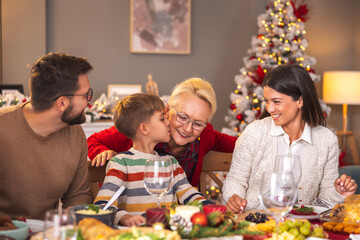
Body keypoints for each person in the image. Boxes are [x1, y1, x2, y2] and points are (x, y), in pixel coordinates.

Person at [223, 64, 358, 213]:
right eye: (267, 101)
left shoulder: (326, 140)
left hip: (301, 228)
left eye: (276, 101)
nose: (269, 108)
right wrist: (234, 196)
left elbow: (325, 197)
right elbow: (235, 180)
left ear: (300, 101)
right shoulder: (254, 132)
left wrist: (338, 192)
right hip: (256, 222)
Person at [87, 78, 237, 187]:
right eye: (182, 117)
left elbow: (242, 144)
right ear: (168, 109)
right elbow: (92, 140)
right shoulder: (142, 128)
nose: (188, 128)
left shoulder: (206, 135)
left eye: (198, 123)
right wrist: (103, 152)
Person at [94, 93, 212, 226]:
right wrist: (123, 217)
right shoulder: (121, 163)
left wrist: (210, 209)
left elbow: (189, 194)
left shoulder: (171, 163)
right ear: (144, 129)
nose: (168, 122)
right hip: (135, 234)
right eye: (162, 119)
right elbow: (102, 205)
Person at [0, 52, 94, 219]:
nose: (89, 101)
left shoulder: (75, 134)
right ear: (62, 103)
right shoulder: (3, 128)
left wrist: (72, 219)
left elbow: (78, 195)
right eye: (86, 95)